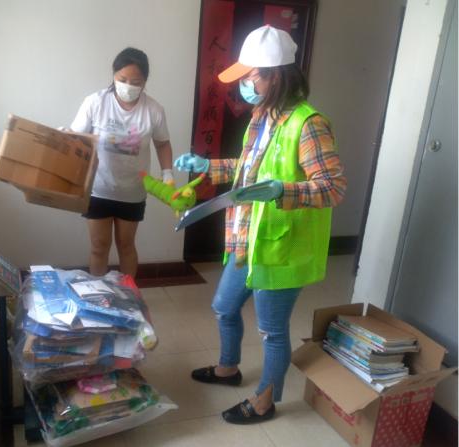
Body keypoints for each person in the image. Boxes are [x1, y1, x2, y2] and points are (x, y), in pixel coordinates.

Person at [174, 25, 346, 424]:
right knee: (223, 307)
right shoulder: (262, 116)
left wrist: (282, 191)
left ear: (275, 76)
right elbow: (249, 168)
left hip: (281, 247)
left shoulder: (308, 124)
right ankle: (228, 369)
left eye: (251, 77)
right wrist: (208, 166)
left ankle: (265, 401)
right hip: (248, 237)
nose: (245, 87)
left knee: (271, 330)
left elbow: (333, 187)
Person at [70, 47, 174, 278]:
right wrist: (63, 137)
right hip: (97, 188)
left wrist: (167, 174)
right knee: (99, 247)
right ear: (114, 75)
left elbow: (162, 144)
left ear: (145, 82)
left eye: (135, 82)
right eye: (122, 79)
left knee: (126, 246)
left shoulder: (154, 110)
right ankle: (98, 293)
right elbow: (76, 139)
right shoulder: (95, 102)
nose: (128, 86)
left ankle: (129, 294)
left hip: (132, 191)